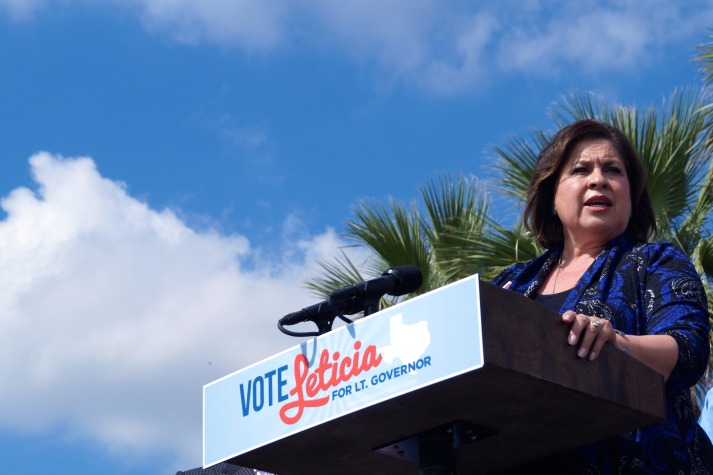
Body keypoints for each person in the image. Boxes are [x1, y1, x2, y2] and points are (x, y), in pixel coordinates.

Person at [492, 119, 713, 473]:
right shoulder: (511, 283)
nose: (599, 179)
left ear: (631, 193)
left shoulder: (655, 262)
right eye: (581, 169)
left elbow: (687, 349)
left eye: (613, 170)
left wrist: (617, 343)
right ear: (551, 194)